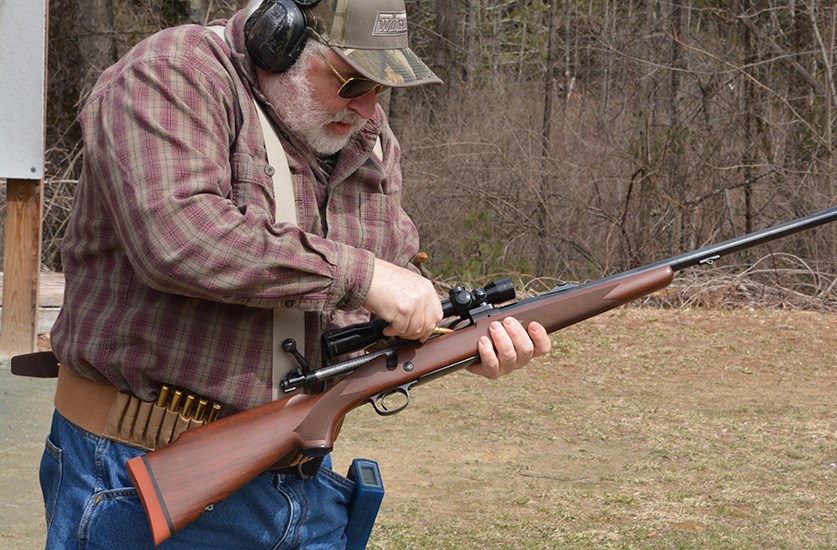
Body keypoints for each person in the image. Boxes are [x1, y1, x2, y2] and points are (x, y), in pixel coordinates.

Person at [39, 0, 551, 547]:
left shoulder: (367, 139)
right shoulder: (172, 73)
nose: (368, 108)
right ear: (277, 39)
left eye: (384, 87)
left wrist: (455, 340)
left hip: (305, 486)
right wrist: (366, 277)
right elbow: (179, 236)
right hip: (140, 467)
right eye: (353, 81)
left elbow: (386, 284)